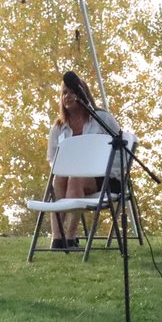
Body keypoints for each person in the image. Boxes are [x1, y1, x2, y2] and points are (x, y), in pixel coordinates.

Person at [45, 75, 122, 251]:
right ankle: (57, 238)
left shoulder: (101, 118)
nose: (67, 96)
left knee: (75, 177)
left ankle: (71, 236)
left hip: (106, 178)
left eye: (72, 92)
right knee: (59, 177)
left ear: (83, 94)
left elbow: (120, 150)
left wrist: (106, 168)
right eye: (64, 93)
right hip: (70, 176)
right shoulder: (58, 128)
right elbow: (52, 159)